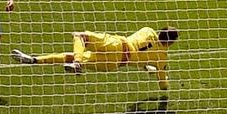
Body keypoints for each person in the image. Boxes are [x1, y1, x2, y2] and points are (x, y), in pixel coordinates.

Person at [13, 26, 179, 91]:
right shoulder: (162, 57)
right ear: (170, 43)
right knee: (72, 57)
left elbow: (142, 45)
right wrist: (159, 75)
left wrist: (145, 64)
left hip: (117, 44)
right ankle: (74, 63)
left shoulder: (148, 30)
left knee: (80, 38)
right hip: (116, 62)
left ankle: (36, 60)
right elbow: (162, 83)